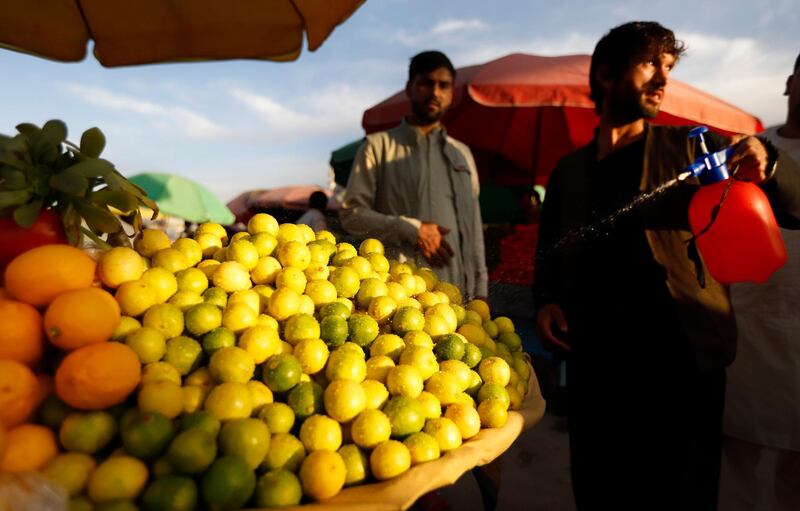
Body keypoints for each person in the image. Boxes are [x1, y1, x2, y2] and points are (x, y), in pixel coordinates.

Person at [532, 22, 800, 510]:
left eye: (669, 68)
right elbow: (550, 250)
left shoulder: (689, 149)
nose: (663, 79)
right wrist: (546, 300)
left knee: (680, 496)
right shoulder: (569, 170)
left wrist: (768, 159)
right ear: (607, 75)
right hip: (598, 369)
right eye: (650, 64)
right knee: (599, 488)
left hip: (679, 365)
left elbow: (793, 205)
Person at [340, 50, 488, 301]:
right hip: (396, 297)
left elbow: (473, 227)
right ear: (409, 87)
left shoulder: (462, 155)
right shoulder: (377, 147)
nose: (435, 93)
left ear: (452, 94)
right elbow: (351, 215)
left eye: (444, 86)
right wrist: (410, 229)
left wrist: (481, 290)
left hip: (457, 298)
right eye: (427, 83)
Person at [719, 52, 800, 511]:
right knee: (736, 462)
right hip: (745, 327)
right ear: (790, 82)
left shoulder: (768, 158)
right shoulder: (748, 148)